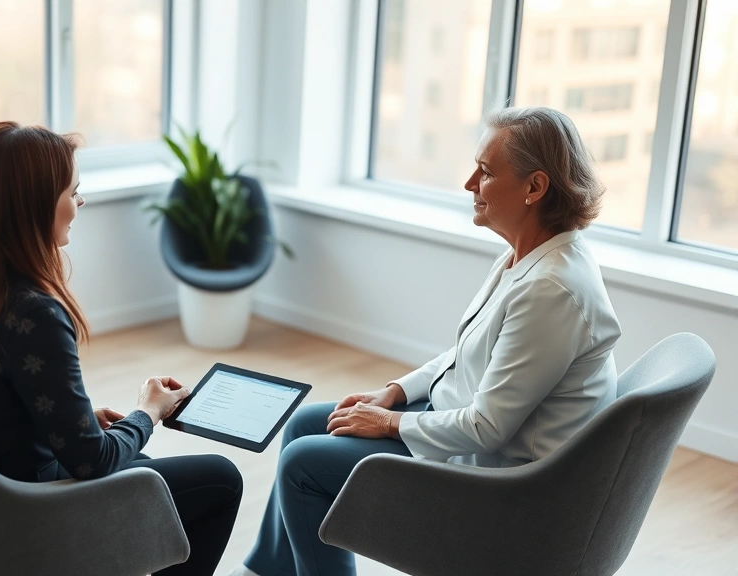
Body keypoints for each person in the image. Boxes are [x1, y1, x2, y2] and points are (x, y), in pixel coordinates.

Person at [229, 106, 622, 576]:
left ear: (535, 188)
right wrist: (394, 394)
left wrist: (389, 424)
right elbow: (466, 354)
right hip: (453, 423)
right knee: (306, 424)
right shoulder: (527, 256)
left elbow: (487, 429)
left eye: (486, 172)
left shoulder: (552, 290)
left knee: (303, 464)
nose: (469, 183)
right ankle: (265, 571)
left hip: (494, 479)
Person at [0, 121, 242, 576]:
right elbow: (90, 462)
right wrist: (148, 411)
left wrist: (61, 424)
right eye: (72, 191)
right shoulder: (29, 312)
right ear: (34, 206)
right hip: (20, 518)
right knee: (220, 478)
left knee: (144, 467)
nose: (80, 202)